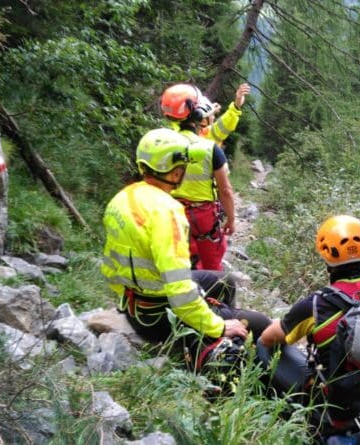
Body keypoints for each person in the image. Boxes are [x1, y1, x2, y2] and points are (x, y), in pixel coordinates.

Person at [100, 128, 269, 367]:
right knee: (260, 323)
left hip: (134, 305)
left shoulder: (122, 198)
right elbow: (179, 292)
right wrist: (218, 326)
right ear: (176, 171)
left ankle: (216, 325)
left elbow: (110, 269)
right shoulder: (167, 212)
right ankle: (214, 343)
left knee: (225, 281)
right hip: (158, 318)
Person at [259, 215, 360, 442]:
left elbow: (268, 338)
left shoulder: (317, 305)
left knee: (262, 346)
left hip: (346, 412)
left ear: (325, 253)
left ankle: (278, 413)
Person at [159, 83, 236, 271]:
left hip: (171, 211)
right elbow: (225, 190)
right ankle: (208, 288)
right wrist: (231, 218)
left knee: (174, 261)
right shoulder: (209, 148)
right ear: (198, 114)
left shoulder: (161, 144)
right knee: (211, 264)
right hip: (203, 216)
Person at [195, 83, 251, 147]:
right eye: (212, 115)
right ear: (204, 120)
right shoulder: (207, 134)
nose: (213, 118)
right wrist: (236, 106)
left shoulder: (188, 130)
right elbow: (224, 123)